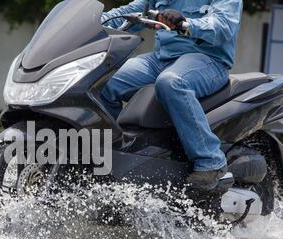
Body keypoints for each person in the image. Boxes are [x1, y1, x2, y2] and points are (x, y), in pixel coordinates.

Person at [101, 0, 243, 191]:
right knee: (103, 79)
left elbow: (223, 27)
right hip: (161, 60)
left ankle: (211, 161)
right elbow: (126, 13)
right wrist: (88, 24)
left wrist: (186, 23)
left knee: (171, 82)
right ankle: (108, 156)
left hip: (208, 61)